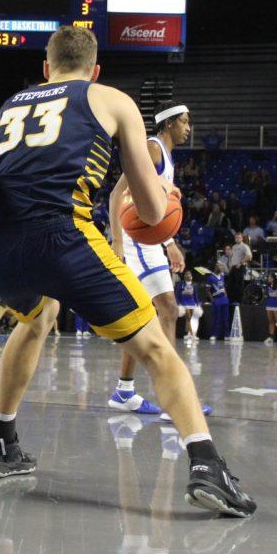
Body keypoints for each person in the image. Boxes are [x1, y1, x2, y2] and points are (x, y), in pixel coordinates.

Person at [0, 26, 254, 517]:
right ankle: (206, 464)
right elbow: (149, 212)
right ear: (95, 69)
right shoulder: (112, 99)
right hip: (63, 236)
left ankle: (0, 440)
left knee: (37, 318)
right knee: (153, 343)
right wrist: (166, 206)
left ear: (46, 68)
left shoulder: (4, 110)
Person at [106, 100, 192, 416]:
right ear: (168, 123)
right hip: (134, 240)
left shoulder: (164, 157)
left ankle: (124, 391)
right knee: (168, 309)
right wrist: (117, 242)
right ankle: (173, 400)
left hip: (146, 239)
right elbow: (118, 195)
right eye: (184, 121)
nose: (188, 128)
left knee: (146, 315)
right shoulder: (153, 148)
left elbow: (155, 208)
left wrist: (170, 243)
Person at [176, 270, 201, 344]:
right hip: (184, 303)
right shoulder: (181, 284)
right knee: (188, 317)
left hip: (192, 303)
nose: (188, 275)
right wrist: (179, 303)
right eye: (187, 274)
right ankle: (191, 334)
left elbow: (196, 295)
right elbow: (177, 295)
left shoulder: (194, 285)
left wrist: (198, 304)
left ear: (191, 276)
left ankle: (189, 334)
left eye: (189, 274)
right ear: (184, 276)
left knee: (192, 318)